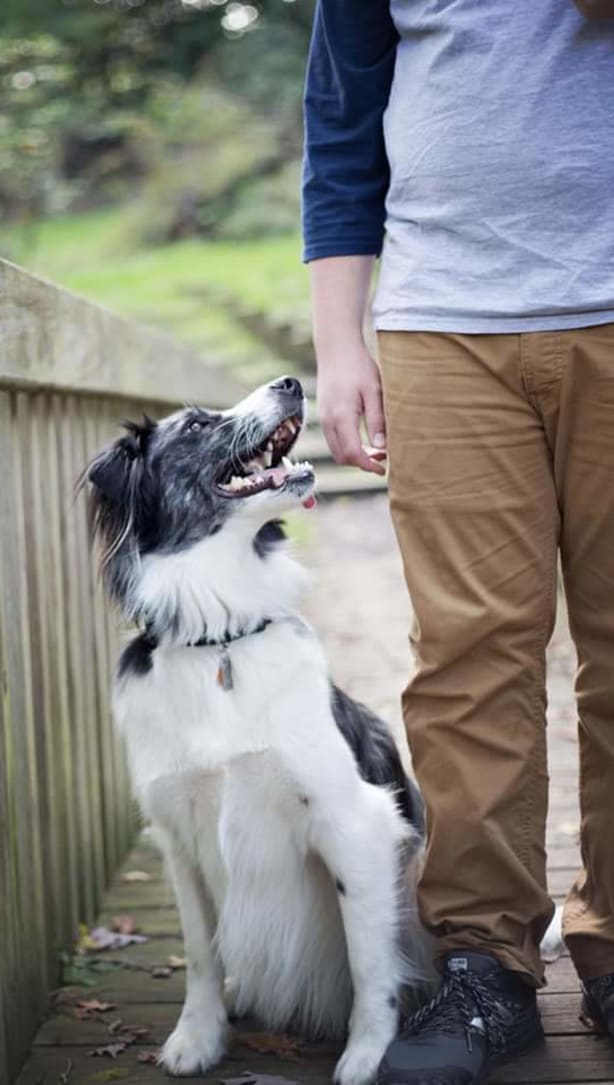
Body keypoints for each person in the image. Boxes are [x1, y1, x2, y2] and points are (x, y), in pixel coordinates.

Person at [302, 2, 614, 1083]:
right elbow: (341, 121)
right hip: (443, 327)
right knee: (471, 651)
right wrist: (339, 339)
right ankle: (484, 961)